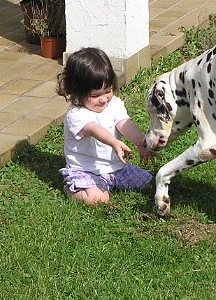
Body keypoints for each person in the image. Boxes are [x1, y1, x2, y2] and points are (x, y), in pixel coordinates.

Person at [56, 47, 154, 205]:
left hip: (116, 168)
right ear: (76, 91)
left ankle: (110, 182)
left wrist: (141, 142)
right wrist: (113, 142)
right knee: (98, 199)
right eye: (94, 95)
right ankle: (73, 187)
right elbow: (94, 129)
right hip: (86, 170)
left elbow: (124, 123)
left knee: (147, 183)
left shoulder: (113, 104)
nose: (103, 99)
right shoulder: (76, 114)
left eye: (107, 91)